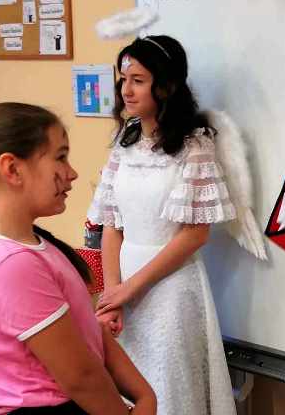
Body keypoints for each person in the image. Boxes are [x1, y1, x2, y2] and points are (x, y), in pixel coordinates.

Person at [0, 102, 155, 414]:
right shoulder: (11, 263)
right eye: (60, 157)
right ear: (12, 169)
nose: (72, 173)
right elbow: (80, 377)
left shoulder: (31, 244)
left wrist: (144, 394)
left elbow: (89, 335)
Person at [88, 35, 239, 414]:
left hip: (171, 289)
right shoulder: (124, 142)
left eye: (138, 80)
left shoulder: (194, 146)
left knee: (170, 391)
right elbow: (112, 224)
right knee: (127, 393)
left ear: (166, 86)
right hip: (125, 287)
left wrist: (130, 289)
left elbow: (195, 235)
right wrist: (113, 296)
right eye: (123, 79)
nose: (126, 90)